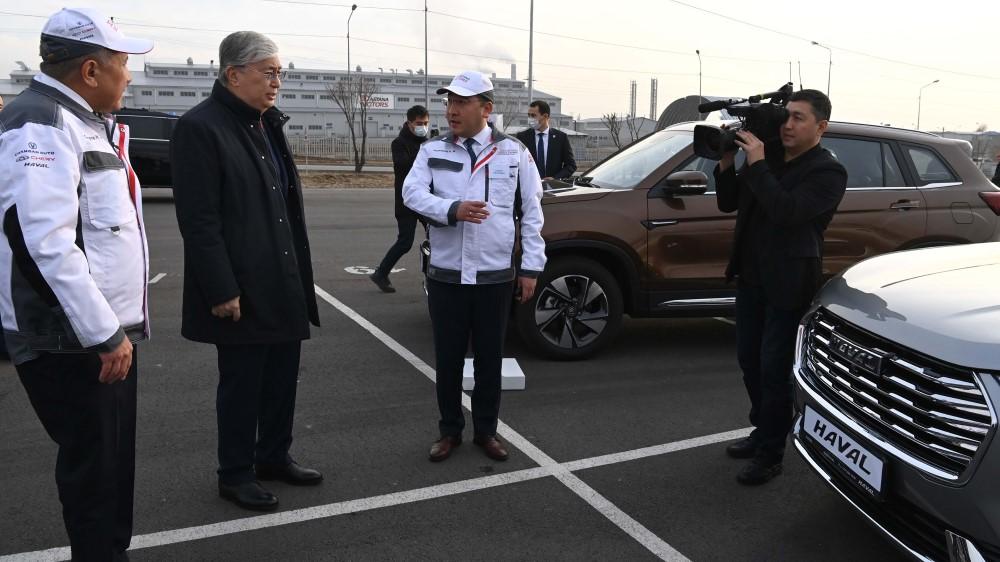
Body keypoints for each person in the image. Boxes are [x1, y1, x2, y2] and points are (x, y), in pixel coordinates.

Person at [0, 8, 152, 560]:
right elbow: (43, 242)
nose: (129, 75)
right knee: (95, 474)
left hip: (97, 337)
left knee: (112, 469)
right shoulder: (41, 122)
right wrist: (103, 334)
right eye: (122, 64)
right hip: (73, 342)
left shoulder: (82, 119)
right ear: (91, 70)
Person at [171, 31, 322, 512]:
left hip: (281, 279)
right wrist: (221, 288)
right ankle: (234, 473)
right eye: (270, 72)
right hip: (239, 288)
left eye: (281, 72)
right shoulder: (201, 128)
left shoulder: (266, 124)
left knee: (281, 378)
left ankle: (273, 456)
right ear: (234, 74)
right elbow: (199, 221)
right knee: (242, 387)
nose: (278, 81)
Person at [404, 71, 546, 463]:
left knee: (489, 359)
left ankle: (487, 431)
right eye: (449, 102)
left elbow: (532, 211)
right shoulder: (433, 150)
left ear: (486, 108)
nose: (451, 110)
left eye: (461, 103)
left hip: (494, 276)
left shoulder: (514, 152)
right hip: (447, 275)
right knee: (448, 360)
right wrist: (450, 210)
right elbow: (411, 193)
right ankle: (449, 430)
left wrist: (531, 267)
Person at [715, 89, 847, 485]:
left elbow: (787, 212)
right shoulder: (767, 157)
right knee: (748, 361)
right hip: (751, 276)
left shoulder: (827, 171)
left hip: (789, 282)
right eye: (786, 116)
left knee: (775, 369)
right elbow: (728, 203)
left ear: (820, 127)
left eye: (799, 118)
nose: (788, 125)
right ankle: (762, 430)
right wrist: (726, 160)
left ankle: (771, 453)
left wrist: (755, 165)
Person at [369, 104, 432, 293]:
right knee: (405, 241)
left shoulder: (427, 142)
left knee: (439, 236)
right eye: (419, 123)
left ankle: (436, 276)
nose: (423, 126)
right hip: (406, 201)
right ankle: (381, 273)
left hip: (426, 199)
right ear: (409, 123)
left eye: (426, 123)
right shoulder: (399, 143)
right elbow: (403, 164)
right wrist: (425, 157)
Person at [515, 99, 576, 181]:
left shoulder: (561, 138)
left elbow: (571, 165)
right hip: (529, 187)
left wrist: (555, 178)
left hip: (553, 188)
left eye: (533, 115)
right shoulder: (522, 137)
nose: (530, 119)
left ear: (545, 116)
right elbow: (516, 164)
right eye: (529, 115)